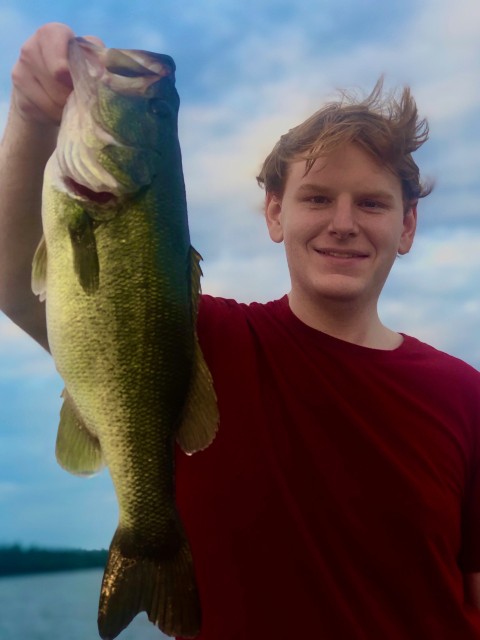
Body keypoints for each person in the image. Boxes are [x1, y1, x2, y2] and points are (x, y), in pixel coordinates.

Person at [2, 22, 480, 640]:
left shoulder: (465, 396)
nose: (342, 222)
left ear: (408, 226)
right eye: (316, 198)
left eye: (372, 203)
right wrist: (32, 115)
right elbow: (19, 281)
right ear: (275, 213)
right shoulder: (198, 340)